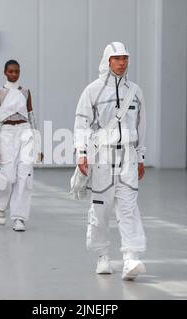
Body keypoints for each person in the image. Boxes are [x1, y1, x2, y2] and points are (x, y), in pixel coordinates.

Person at [73, 42, 147, 280]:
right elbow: (81, 124)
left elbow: (141, 125)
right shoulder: (92, 91)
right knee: (101, 209)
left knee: (129, 208)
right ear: (107, 61)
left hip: (128, 157)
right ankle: (102, 255)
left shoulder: (135, 91)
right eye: (117, 58)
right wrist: (82, 154)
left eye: (125, 58)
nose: (122, 62)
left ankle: (130, 258)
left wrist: (141, 156)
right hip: (102, 157)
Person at [0, 60, 43, 231]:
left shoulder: (26, 92)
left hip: (25, 131)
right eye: (11, 71)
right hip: (6, 133)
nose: (14, 74)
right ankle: (0, 204)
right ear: (5, 72)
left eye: (17, 71)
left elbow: (32, 116)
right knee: (9, 176)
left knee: (25, 175)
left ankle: (19, 218)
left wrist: (38, 145)